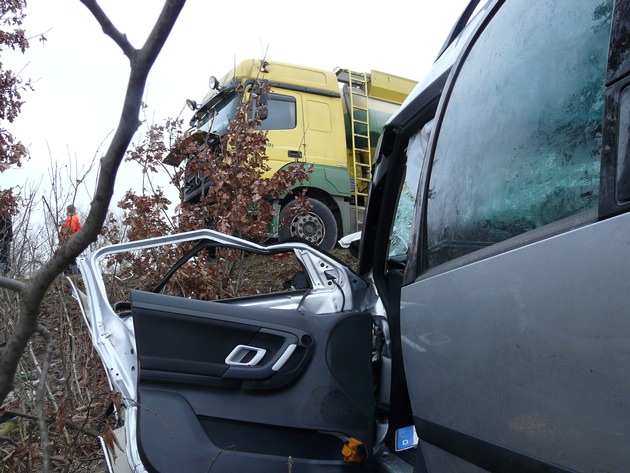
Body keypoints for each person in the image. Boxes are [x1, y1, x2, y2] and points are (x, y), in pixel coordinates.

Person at [60, 204, 82, 274]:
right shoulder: (77, 218)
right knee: (69, 258)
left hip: (72, 241)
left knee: (67, 257)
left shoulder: (71, 219)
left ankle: (74, 274)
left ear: (68, 211)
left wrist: (66, 236)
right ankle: (72, 273)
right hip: (77, 240)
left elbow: (71, 229)